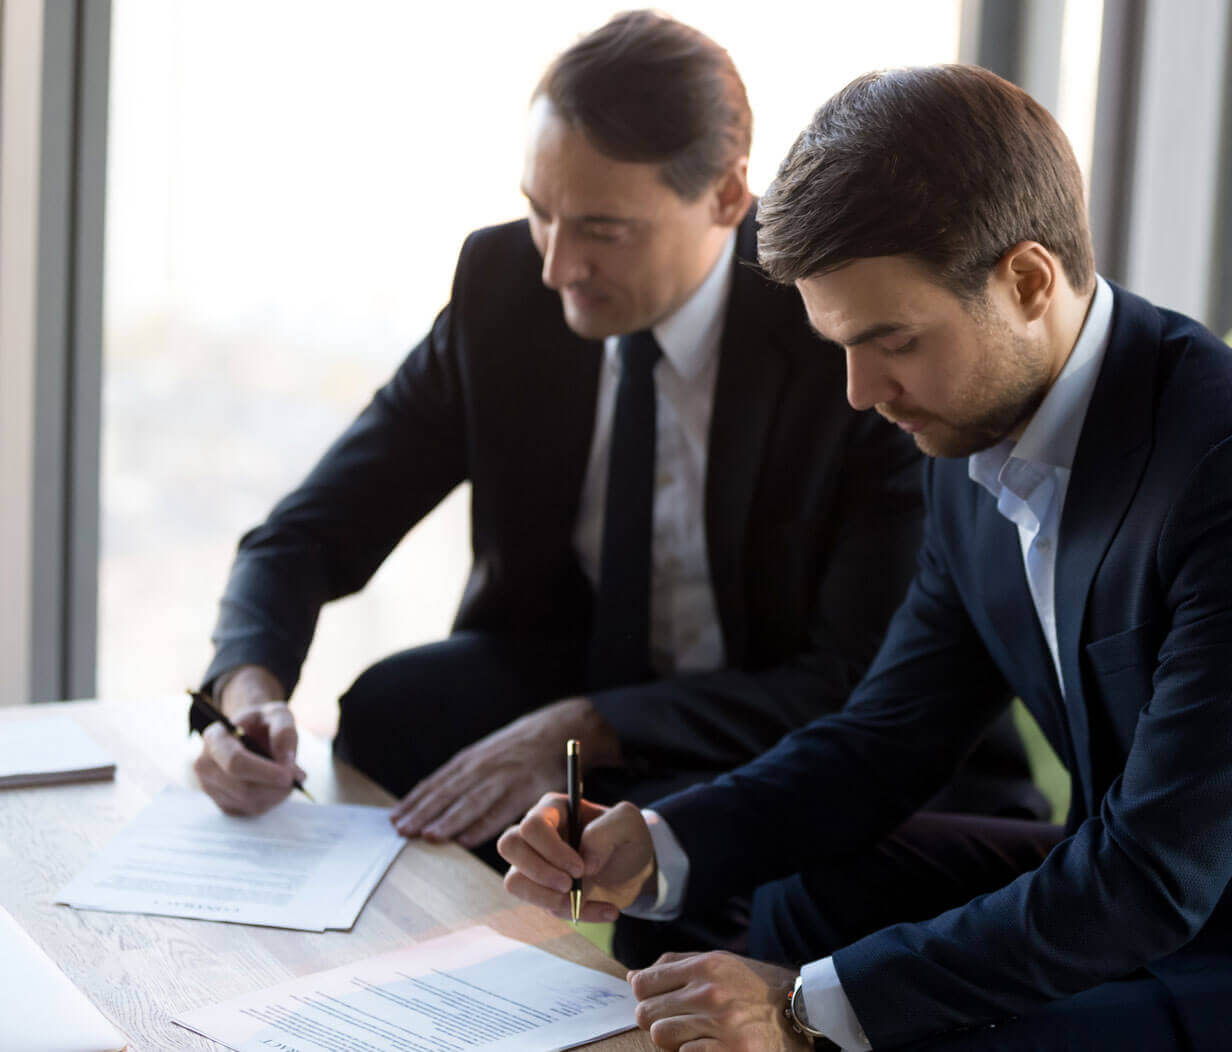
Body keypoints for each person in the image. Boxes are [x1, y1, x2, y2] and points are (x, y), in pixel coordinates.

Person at [497, 64, 1232, 1049]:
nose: (864, 395)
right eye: (843, 347)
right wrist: (660, 842)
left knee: (896, 1021)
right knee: (797, 896)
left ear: (1027, 278)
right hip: (1168, 880)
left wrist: (799, 1003)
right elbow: (886, 738)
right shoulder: (964, 426)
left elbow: (1146, 879)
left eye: (894, 341)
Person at [189, 15, 1045, 951]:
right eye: (540, 212)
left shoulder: (840, 328)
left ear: (726, 197)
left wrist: (595, 724)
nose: (559, 263)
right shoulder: (505, 286)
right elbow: (307, 532)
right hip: (599, 676)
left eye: (601, 230)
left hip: (796, 718)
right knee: (389, 715)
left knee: (666, 897)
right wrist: (244, 694)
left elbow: (855, 682)